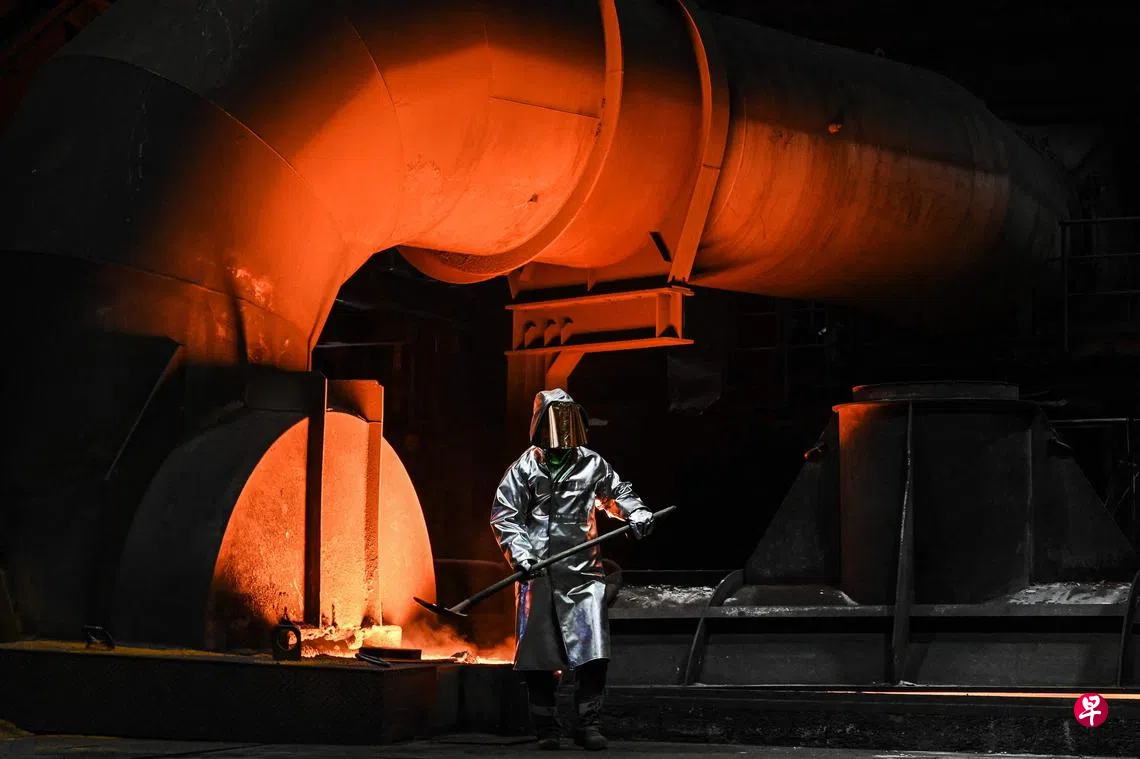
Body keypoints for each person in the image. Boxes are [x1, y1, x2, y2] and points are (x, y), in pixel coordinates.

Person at [490, 389, 656, 751]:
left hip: (583, 575)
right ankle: (546, 728)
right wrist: (523, 556)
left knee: (593, 654)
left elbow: (616, 493)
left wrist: (636, 511)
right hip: (539, 576)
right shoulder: (523, 469)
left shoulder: (592, 464)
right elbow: (506, 517)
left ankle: (587, 724)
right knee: (538, 659)